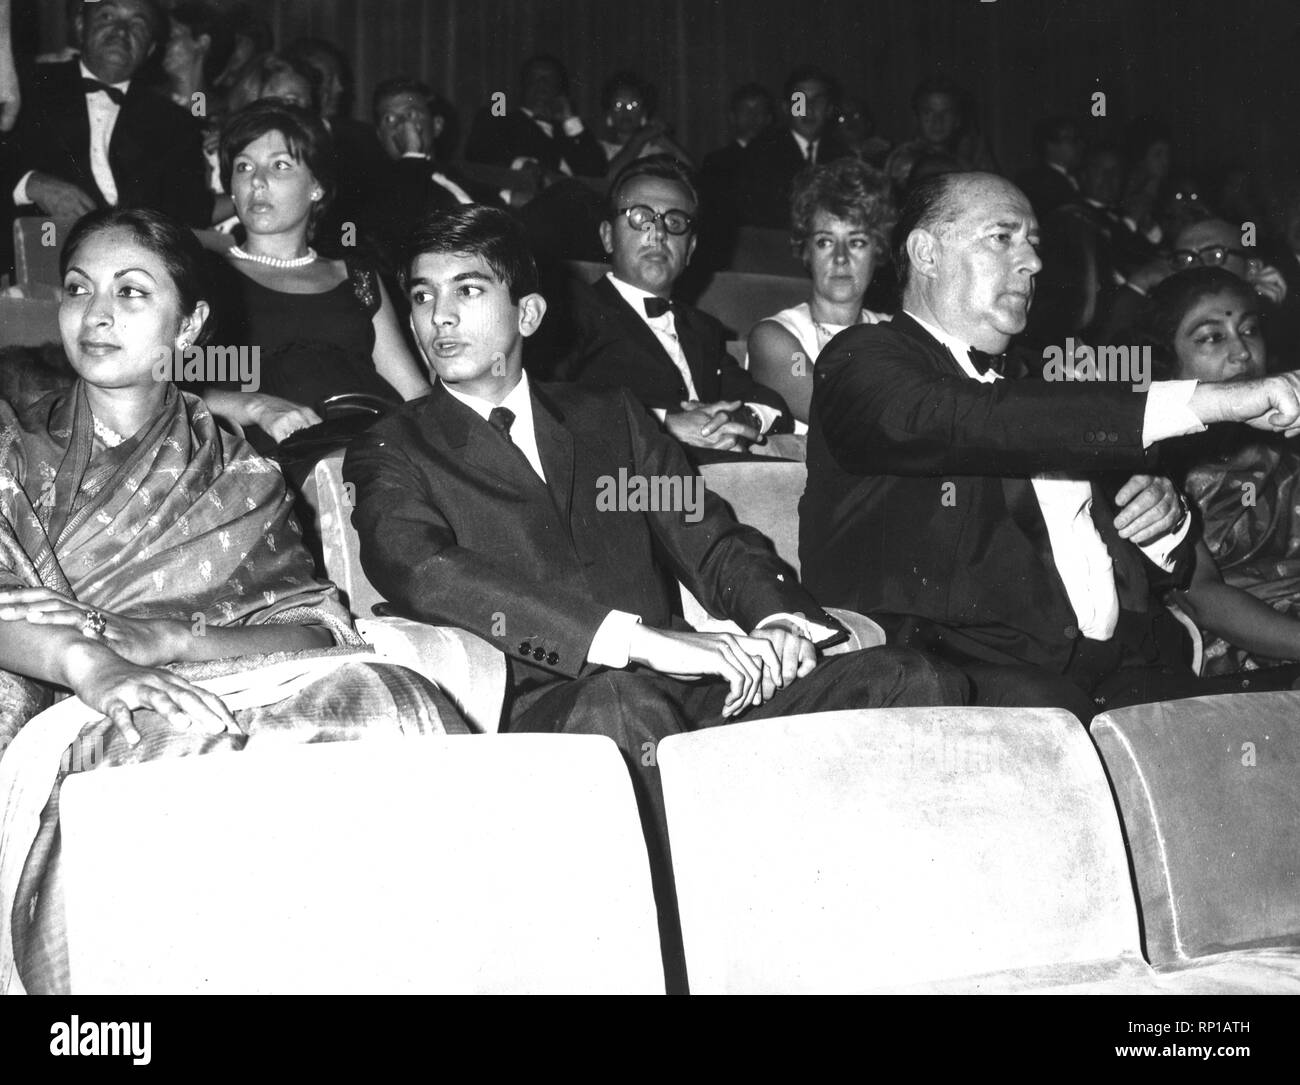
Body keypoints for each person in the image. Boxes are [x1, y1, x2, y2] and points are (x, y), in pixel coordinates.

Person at [342, 204, 969, 992]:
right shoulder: (397, 445)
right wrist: (637, 637)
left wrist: (780, 621)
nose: (438, 316)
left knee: (919, 678)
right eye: (423, 295)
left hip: (695, 691)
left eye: (467, 291)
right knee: (623, 702)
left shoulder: (609, 418)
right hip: (554, 712)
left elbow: (708, 537)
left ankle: (883, 949)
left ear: (528, 312)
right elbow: (421, 570)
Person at [0, 207, 464, 994]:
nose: (97, 313)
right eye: (79, 288)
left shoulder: (239, 473)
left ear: (192, 327)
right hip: (70, 698)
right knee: (169, 752)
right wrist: (97, 665)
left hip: (217, 676)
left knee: (393, 695)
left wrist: (171, 640)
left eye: (132, 292)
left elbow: (316, 630)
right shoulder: (15, 447)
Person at [800, 172, 1300, 719]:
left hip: (1122, 670)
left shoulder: (1047, 382)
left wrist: (1165, 516)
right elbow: (968, 421)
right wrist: (1218, 400)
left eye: (1034, 242)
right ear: (926, 252)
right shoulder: (860, 360)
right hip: (963, 687)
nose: (1033, 262)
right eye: (1002, 237)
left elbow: (1170, 561)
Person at [200, 100, 430, 446]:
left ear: (316, 187)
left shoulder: (357, 275)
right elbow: (161, 388)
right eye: (244, 167)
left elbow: (413, 393)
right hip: (262, 469)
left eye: (279, 166)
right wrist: (255, 405)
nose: (257, 182)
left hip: (375, 452)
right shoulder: (206, 274)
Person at [550, 155, 791, 457]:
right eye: (641, 217)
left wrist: (742, 418)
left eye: (675, 222)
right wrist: (662, 423)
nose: (658, 233)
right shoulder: (572, 309)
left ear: (690, 249)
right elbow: (549, 400)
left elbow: (771, 403)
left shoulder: (703, 329)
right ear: (608, 236)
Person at [1135, 267, 1300, 679]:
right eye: (1212, 337)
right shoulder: (1155, 460)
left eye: (1249, 330)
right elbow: (1203, 597)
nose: (1242, 352)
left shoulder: (1286, 432)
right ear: (1168, 362)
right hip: (1237, 649)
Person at [0, 0, 211, 244]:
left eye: (138, 24)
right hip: (35, 252)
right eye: (108, 17)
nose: (122, 31)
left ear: (150, 48)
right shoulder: (24, 89)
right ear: (80, 26)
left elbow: (192, 212)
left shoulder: (178, 122)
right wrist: (30, 184)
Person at [746, 158, 894, 426]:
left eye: (857, 242)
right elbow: (830, 414)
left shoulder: (896, 332)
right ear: (806, 250)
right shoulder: (779, 339)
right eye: (825, 241)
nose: (840, 257)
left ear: (879, 250)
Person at [463, 54, 607, 181]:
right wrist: (520, 164)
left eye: (549, 80)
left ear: (561, 89)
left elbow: (598, 172)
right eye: (534, 79)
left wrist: (569, 119)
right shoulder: (500, 120)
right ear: (522, 86)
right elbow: (479, 156)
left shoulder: (568, 131)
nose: (541, 87)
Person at [736, 65, 848, 229]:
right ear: (786, 108)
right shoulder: (760, 153)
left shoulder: (843, 157)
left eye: (818, 101)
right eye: (799, 101)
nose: (808, 109)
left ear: (830, 109)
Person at [883, 76, 997, 195]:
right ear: (916, 118)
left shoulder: (972, 155)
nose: (937, 121)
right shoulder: (902, 159)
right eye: (928, 113)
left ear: (958, 119)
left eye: (946, 112)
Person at [596, 70, 691, 176]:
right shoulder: (598, 150)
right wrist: (639, 138)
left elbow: (692, 175)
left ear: (644, 112)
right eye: (618, 105)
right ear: (609, 112)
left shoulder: (656, 150)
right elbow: (608, 176)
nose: (626, 110)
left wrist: (668, 143)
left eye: (633, 104)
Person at [1014, 116, 1084, 219]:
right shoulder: (1035, 181)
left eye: (1079, 139)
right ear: (1050, 146)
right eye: (1071, 140)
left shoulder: (1081, 176)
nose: (1080, 145)